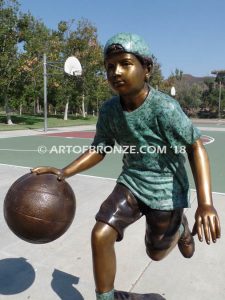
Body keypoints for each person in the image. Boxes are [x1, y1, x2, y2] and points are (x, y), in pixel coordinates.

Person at [32, 33, 221, 300]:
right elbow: (100, 148)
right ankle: (106, 297)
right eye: (110, 66)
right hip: (132, 182)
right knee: (100, 233)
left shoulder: (164, 108)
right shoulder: (109, 110)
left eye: (125, 63)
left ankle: (179, 229)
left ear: (147, 69)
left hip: (166, 188)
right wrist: (65, 172)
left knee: (155, 253)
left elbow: (195, 147)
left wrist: (205, 203)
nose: (116, 72)